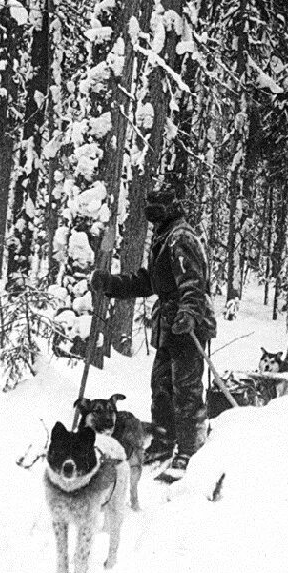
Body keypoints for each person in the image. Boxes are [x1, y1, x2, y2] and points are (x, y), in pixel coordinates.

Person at [90, 182, 216, 479]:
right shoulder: (164, 238)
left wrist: (187, 314)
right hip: (168, 323)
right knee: (161, 387)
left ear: (171, 209)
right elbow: (149, 282)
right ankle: (163, 440)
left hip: (188, 324)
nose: (154, 218)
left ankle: (189, 448)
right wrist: (112, 284)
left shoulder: (181, 237)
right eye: (151, 212)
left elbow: (193, 283)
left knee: (185, 389)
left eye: (159, 211)